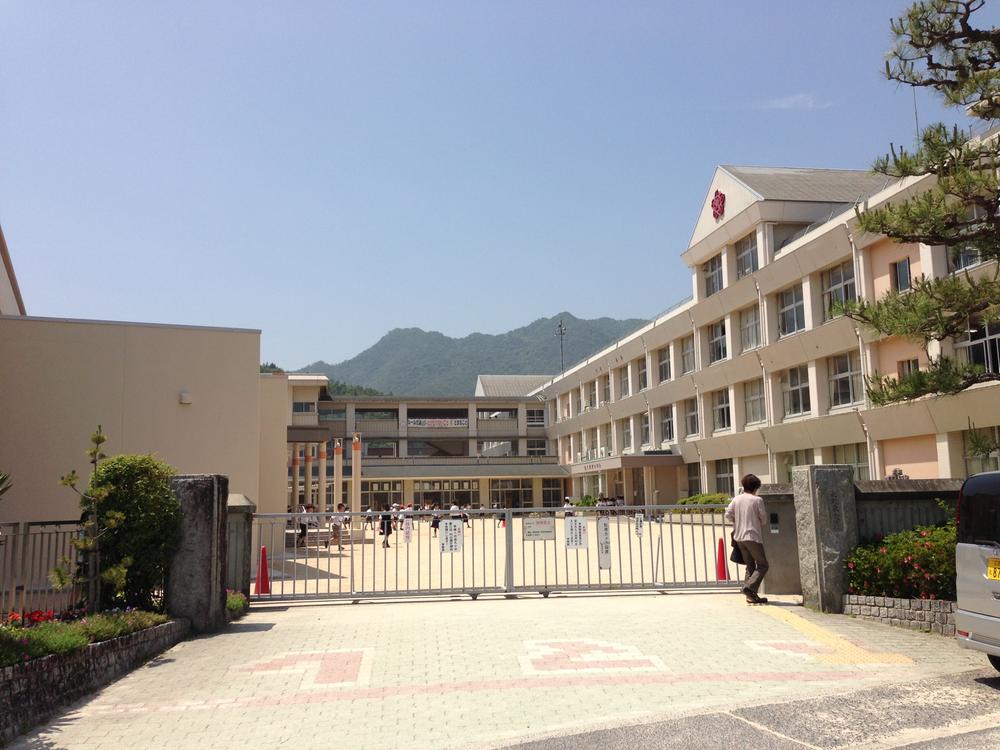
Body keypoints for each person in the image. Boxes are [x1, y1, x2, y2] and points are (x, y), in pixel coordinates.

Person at [724, 473, 769, 604]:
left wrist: (737, 521)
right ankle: (748, 588)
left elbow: (728, 514)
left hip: (739, 537)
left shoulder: (737, 499)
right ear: (756, 487)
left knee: (750, 566)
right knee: (763, 565)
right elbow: (764, 519)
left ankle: (750, 596)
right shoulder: (757, 500)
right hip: (752, 536)